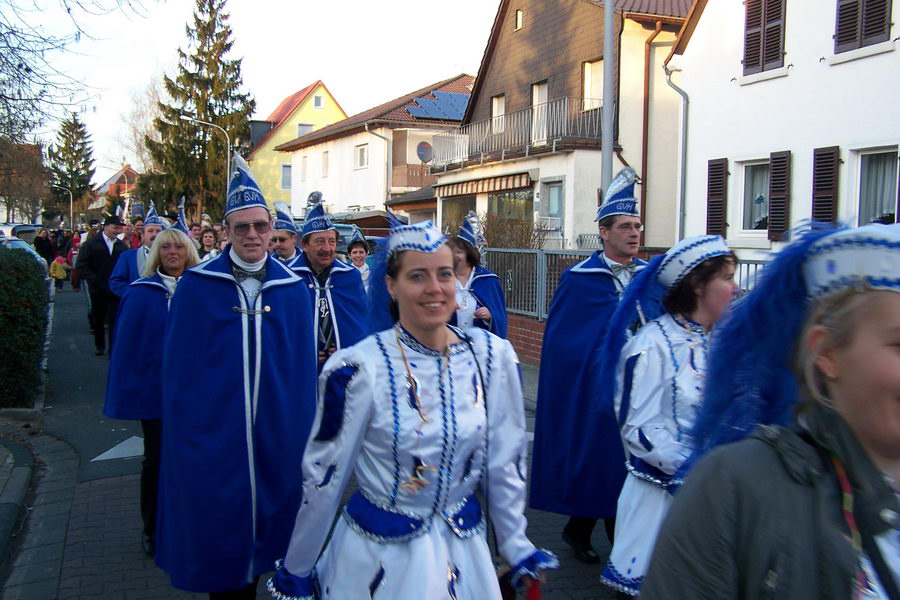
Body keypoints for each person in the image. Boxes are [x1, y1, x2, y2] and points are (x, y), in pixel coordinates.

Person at [266, 219, 558, 599]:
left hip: (465, 555)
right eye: (418, 276)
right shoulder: (358, 368)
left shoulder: (491, 356)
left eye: (445, 274)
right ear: (391, 286)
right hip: (378, 560)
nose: (435, 289)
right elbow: (324, 479)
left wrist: (516, 545)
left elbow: (505, 459)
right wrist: (298, 567)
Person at [641, 224, 900, 600]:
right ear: (825, 353)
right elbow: (640, 425)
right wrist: (684, 467)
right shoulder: (736, 487)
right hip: (665, 483)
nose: (735, 287)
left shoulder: (715, 339)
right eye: (898, 343)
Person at [155, 153, 319, 598]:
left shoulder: (291, 289)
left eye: (260, 226)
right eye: (241, 227)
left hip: (277, 443)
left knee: (278, 543)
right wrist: (191, 439)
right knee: (222, 557)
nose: (252, 235)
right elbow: (178, 378)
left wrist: (302, 437)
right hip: (215, 444)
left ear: (272, 229)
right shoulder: (197, 286)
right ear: (225, 231)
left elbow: (302, 377)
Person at [596, 235, 736, 596]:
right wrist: (696, 467)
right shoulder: (651, 343)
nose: (736, 288)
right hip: (660, 502)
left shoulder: (724, 342)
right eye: (727, 278)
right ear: (698, 285)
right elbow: (638, 428)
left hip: (714, 497)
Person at [530, 167, 647, 563]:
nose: (634, 233)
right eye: (625, 226)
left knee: (620, 469)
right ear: (604, 231)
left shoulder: (649, 277)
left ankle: (582, 531)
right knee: (606, 465)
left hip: (642, 395)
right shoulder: (580, 279)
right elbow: (565, 344)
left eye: (637, 225)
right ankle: (621, 556)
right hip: (598, 394)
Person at [103, 228, 199, 557]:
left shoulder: (204, 289)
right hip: (156, 397)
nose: (173, 252)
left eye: (179, 247)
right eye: (166, 247)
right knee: (156, 461)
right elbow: (129, 348)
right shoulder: (140, 292)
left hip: (197, 398)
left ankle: (191, 526)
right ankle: (153, 529)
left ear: (189, 251)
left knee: (195, 462)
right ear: (157, 252)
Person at [289, 198, 369, 370]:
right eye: (319, 241)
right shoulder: (288, 278)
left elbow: (361, 323)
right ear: (304, 245)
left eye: (331, 241)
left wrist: (344, 347)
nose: (327, 248)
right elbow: (282, 330)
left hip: (342, 371)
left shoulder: (350, 277)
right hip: (299, 370)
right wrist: (303, 351)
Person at [447, 211, 508, 338]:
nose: (453, 255)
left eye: (458, 252)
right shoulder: (442, 279)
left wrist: (490, 316)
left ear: (469, 254)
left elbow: (501, 317)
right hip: (448, 348)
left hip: (480, 349)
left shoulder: (488, 280)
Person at [76, 215, 128, 355]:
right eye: (115, 228)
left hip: (114, 290)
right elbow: (81, 264)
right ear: (106, 226)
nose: (117, 231)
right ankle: (100, 345)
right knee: (98, 319)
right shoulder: (92, 244)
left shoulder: (121, 246)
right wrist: (93, 279)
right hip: (97, 289)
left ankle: (113, 348)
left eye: (119, 229)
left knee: (114, 320)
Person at [109, 202, 166, 297]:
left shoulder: (170, 256)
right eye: (150, 231)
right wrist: (134, 293)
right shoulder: (127, 257)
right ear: (143, 235)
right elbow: (116, 282)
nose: (154, 235)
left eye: (158, 231)